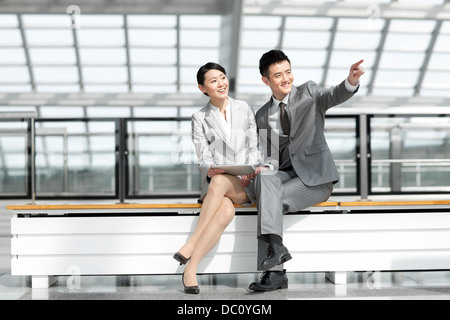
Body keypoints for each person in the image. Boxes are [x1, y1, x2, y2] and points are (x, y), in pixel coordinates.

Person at [248, 49, 365, 292]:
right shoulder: (262, 115)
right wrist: (262, 166)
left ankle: (274, 272)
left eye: (288, 72)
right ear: (266, 81)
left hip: (315, 178)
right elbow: (270, 157)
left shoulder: (309, 93)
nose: (286, 79)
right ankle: (277, 251)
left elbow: (333, 95)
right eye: (278, 75)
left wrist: (351, 81)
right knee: (265, 176)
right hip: (285, 173)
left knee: (269, 202)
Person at [173, 62, 260, 294]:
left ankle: (192, 243)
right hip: (216, 184)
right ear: (203, 88)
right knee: (225, 211)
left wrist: (247, 169)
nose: (221, 83)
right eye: (213, 81)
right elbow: (203, 157)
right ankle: (191, 269)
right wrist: (210, 169)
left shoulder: (244, 108)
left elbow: (255, 147)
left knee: (221, 181)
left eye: (222, 77)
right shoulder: (199, 117)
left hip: (245, 183)